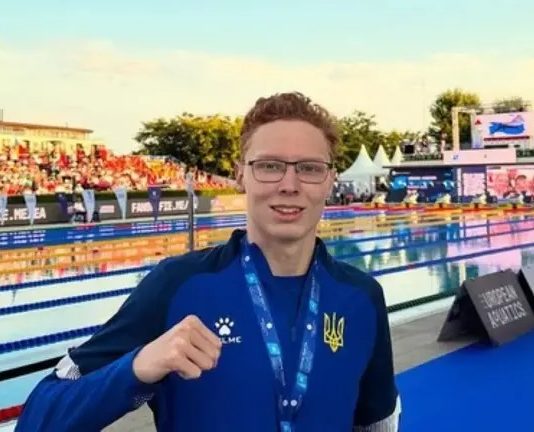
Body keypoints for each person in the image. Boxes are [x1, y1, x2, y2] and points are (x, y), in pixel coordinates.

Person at [16, 92, 400, 431]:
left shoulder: (362, 297)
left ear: (330, 180)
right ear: (241, 175)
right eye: (269, 166)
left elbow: (376, 424)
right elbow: (38, 418)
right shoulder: (178, 285)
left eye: (309, 168)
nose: (289, 184)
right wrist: (137, 367)